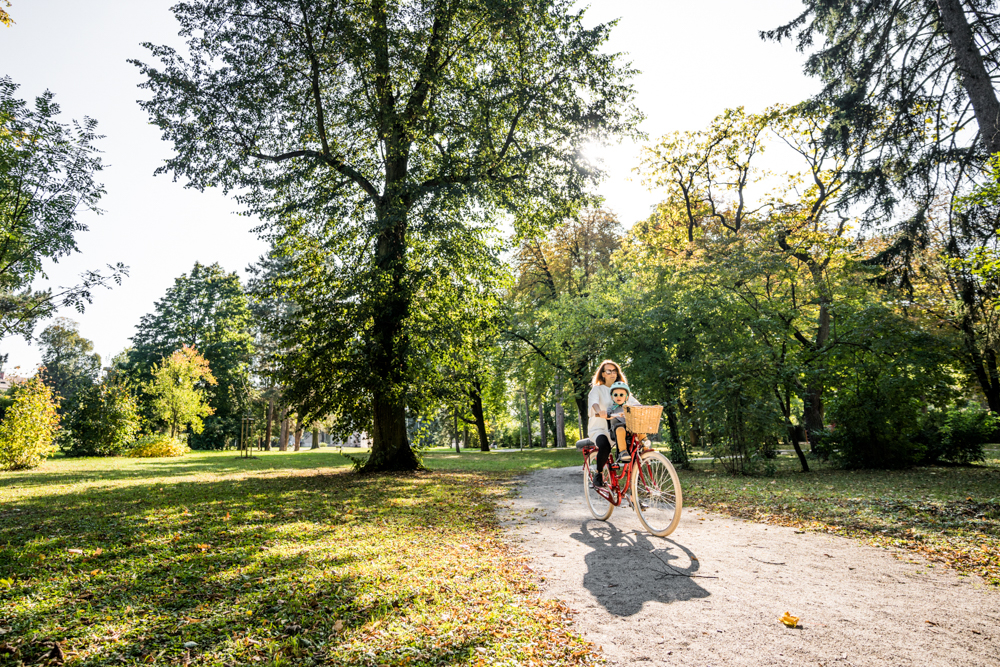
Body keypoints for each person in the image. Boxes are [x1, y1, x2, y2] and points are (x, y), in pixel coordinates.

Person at [587, 360, 639, 487]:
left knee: (633, 451)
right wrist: (600, 411)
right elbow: (593, 403)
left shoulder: (620, 389)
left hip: (618, 428)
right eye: (608, 371)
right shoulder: (597, 389)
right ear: (603, 374)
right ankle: (598, 473)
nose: (612, 373)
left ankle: (634, 489)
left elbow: (635, 403)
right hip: (600, 428)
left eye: (614, 371)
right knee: (604, 446)